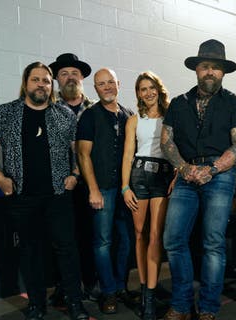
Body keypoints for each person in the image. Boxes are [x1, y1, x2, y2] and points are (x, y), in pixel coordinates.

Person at [0, 62, 89, 320]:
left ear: (51, 85)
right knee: (30, 252)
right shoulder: (5, 112)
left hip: (58, 197)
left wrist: (75, 175)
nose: (41, 84)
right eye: (36, 79)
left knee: (67, 250)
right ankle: (36, 305)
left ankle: (75, 303)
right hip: (22, 198)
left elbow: (80, 151)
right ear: (26, 83)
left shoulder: (64, 114)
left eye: (46, 80)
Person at [160, 39, 236, 320]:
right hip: (185, 174)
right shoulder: (178, 103)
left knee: (213, 243)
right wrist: (185, 170)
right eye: (204, 66)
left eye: (215, 67)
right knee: (173, 240)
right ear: (196, 70)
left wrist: (211, 170)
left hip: (220, 176)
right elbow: (167, 142)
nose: (210, 72)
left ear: (223, 72)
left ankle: (209, 308)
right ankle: (181, 305)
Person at [76, 68, 134, 314]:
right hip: (102, 189)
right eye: (101, 84)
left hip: (126, 190)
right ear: (96, 88)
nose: (107, 87)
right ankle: (108, 291)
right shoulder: (89, 116)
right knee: (102, 242)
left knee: (127, 240)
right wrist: (93, 190)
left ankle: (120, 286)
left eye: (111, 82)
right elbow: (82, 154)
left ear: (118, 84)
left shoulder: (130, 115)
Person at [121, 71, 174, 320]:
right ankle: (144, 290)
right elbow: (127, 155)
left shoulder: (170, 116)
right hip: (139, 177)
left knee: (155, 236)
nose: (148, 92)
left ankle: (151, 297)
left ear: (158, 88)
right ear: (138, 93)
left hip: (163, 175)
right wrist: (125, 187)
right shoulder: (133, 120)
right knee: (140, 234)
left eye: (151, 87)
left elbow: (177, 148)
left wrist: (176, 175)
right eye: (143, 89)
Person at [48, 53, 99, 306]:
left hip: (90, 183)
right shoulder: (45, 106)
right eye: (64, 73)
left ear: (81, 78)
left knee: (89, 235)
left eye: (74, 73)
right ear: (57, 78)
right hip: (58, 184)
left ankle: (90, 284)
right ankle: (64, 286)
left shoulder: (95, 108)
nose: (70, 77)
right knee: (61, 238)